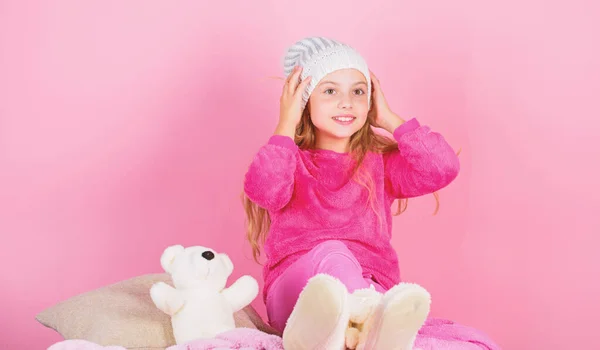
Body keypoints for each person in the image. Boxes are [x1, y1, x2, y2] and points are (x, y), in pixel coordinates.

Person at [242, 36, 460, 350]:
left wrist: (387, 118)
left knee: (463, 341)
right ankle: (368, 323)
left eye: (358, 92)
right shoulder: (290, 161)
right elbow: (264, 190)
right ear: (305, 100)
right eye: (330, 91)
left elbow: (443, 167)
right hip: (301, 298)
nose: (347, 103)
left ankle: (366, 329)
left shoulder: (380, 165)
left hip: (368, 290)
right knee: (334, 254)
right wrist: (286, 122)